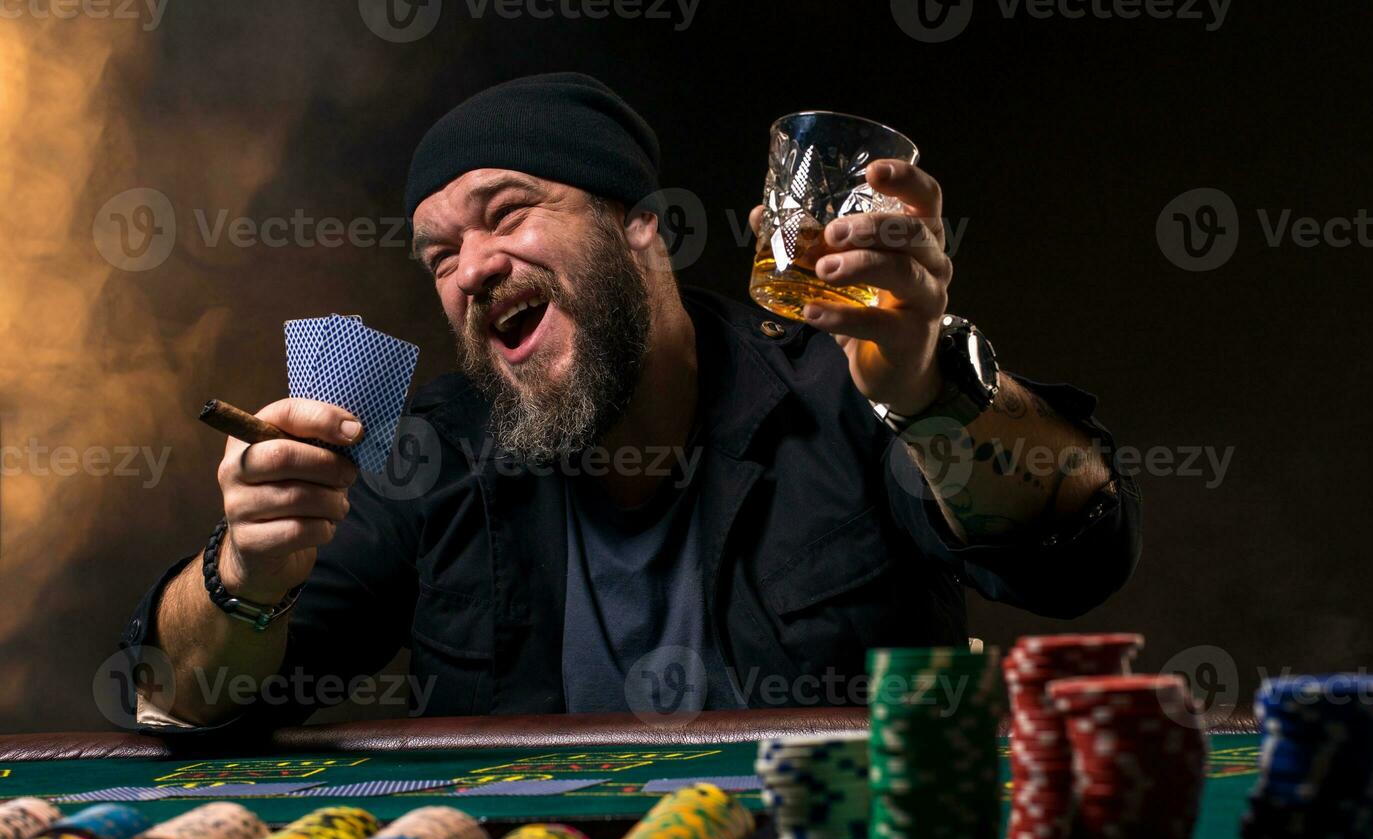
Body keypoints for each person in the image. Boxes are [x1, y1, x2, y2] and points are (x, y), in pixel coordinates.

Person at [120, 72, 1141, 731]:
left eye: (505, 213)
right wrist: (244, 572)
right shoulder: (433, 450)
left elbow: (1078, 553)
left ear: (639, 225)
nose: (471, 267)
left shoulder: (844, 389)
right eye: (439, 254)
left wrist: (931, 390)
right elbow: (177, 699)